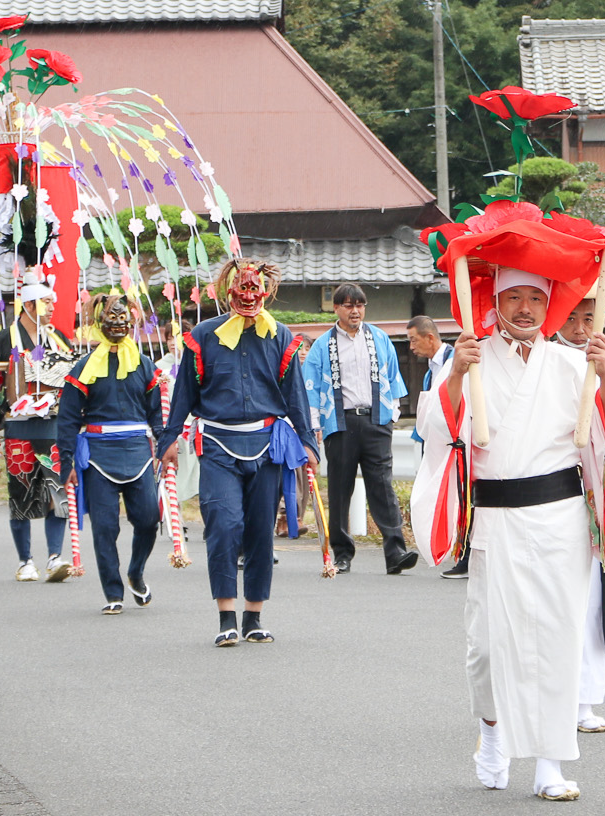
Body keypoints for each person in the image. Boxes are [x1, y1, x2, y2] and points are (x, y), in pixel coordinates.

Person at [412, 266, 605, 802]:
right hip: (496, 517)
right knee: (488, 642)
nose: (527, 308)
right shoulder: (472, 357)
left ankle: (551, 763)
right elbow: (435, 430)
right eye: (515, 298)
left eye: (537, 297)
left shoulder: (571, 363)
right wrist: (459, 377)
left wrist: (604, 379)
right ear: (495, 301)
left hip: (560, 517)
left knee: (558, 638)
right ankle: (491, 731)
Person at [158, 257, 317, 646]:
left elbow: (294, 395)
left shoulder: (280, 335)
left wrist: (309, 442)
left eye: (255, 290)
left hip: (266, 445)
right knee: (224, 524)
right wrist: (168, 441)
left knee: (261, 530)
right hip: (217, 445)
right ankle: (226, 616)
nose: (248, 296)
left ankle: (254, 616)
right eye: (241, 289)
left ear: (266, 292)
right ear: (227, 291)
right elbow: (184, 394)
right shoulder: (204, 336)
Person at [58, 293, 165, 614]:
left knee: (149, 519)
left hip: (138, 452)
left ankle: (136, 572)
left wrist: (166, 443)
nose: (118, 323)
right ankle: (113, 592)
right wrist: (67, 463)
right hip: (97, 455)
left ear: (132, 323)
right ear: (98, 324)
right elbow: (67, 419)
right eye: (111, 318)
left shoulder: (145, 365)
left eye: (123, 318)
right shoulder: (83, 367)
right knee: (105, 527)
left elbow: (156, 414)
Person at [550, 302, 605, 733]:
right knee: (554, 599)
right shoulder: (542, 361)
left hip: (595, 496)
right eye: (571, 319)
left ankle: (585, 701)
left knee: (595, 601)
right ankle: (547, 695)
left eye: (588, 319)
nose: (580, 329)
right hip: (552, 494)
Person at [300, 283, 412, 574]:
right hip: (340, 422)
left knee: (383, 486)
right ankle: (342, 552)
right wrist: (314, 425)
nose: (355, 311)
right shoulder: (323, 345)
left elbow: (392, 374)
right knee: (339, 488)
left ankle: (395, 551)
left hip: (376, 420)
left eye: (360, 305)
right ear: (336, 308)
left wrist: (393, 412)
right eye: (349, 305)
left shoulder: (379, 338)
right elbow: (310, 387)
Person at [0, 277, 79, 582]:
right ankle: (25, 560)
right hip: (19, 425)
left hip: (54, 424)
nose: (52, 307)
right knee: (21, 492)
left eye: (52, 301)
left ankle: (55, 556)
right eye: (46, 302)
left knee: (56, 491)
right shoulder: (1, 340)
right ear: (29, 304)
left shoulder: (59, 339)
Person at [407, 314, 465, 579]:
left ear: (430, 337)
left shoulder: (455, 362)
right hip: (438, 441)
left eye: (413, 340)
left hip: (457, 442)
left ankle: (464, 554)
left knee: (463, 498)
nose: (410, 347)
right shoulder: (434, 366)